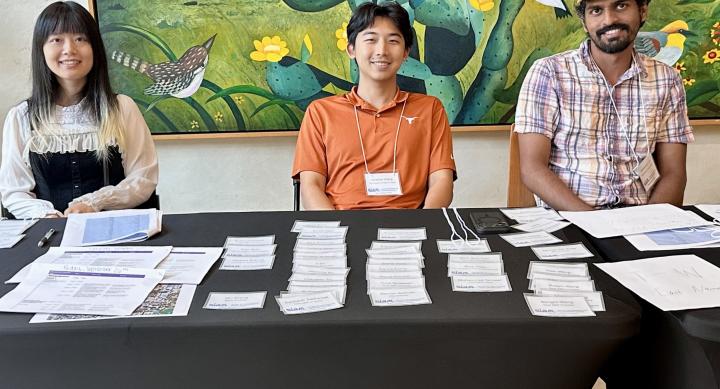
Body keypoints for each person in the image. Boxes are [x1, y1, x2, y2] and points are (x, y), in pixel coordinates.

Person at [514, 0, 693, 211]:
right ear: (584, 21)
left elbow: (674, 173)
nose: (609, 20)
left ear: (642, 11)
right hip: (569, 218)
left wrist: (648, 222)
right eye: (596, 10)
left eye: (621, 6)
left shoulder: (667, 79)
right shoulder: (549, 73)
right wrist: (596, 224)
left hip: (638, 217)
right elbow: (532, 169)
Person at [0, 1, 158, 219]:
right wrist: (47, 215)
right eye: (56, 39)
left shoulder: (122, 108)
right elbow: (14, 192)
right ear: (41, 49)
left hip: (116, 232)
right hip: (49, 235)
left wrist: (95, 203)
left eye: (80, 39)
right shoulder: (21, 117)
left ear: (95, 48)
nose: (69, 50)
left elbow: (143, 178)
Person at [291, 1, 456, 210]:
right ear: (351, 49)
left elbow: (442, 180)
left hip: (411, 226)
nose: (382, 51)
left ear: (406, 52)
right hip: (343, 228)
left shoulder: (430, 109)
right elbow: (311, 186)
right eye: (370, 39)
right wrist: (338, 231)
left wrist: (418, 226)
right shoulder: (320, 112)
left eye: (393, 41)